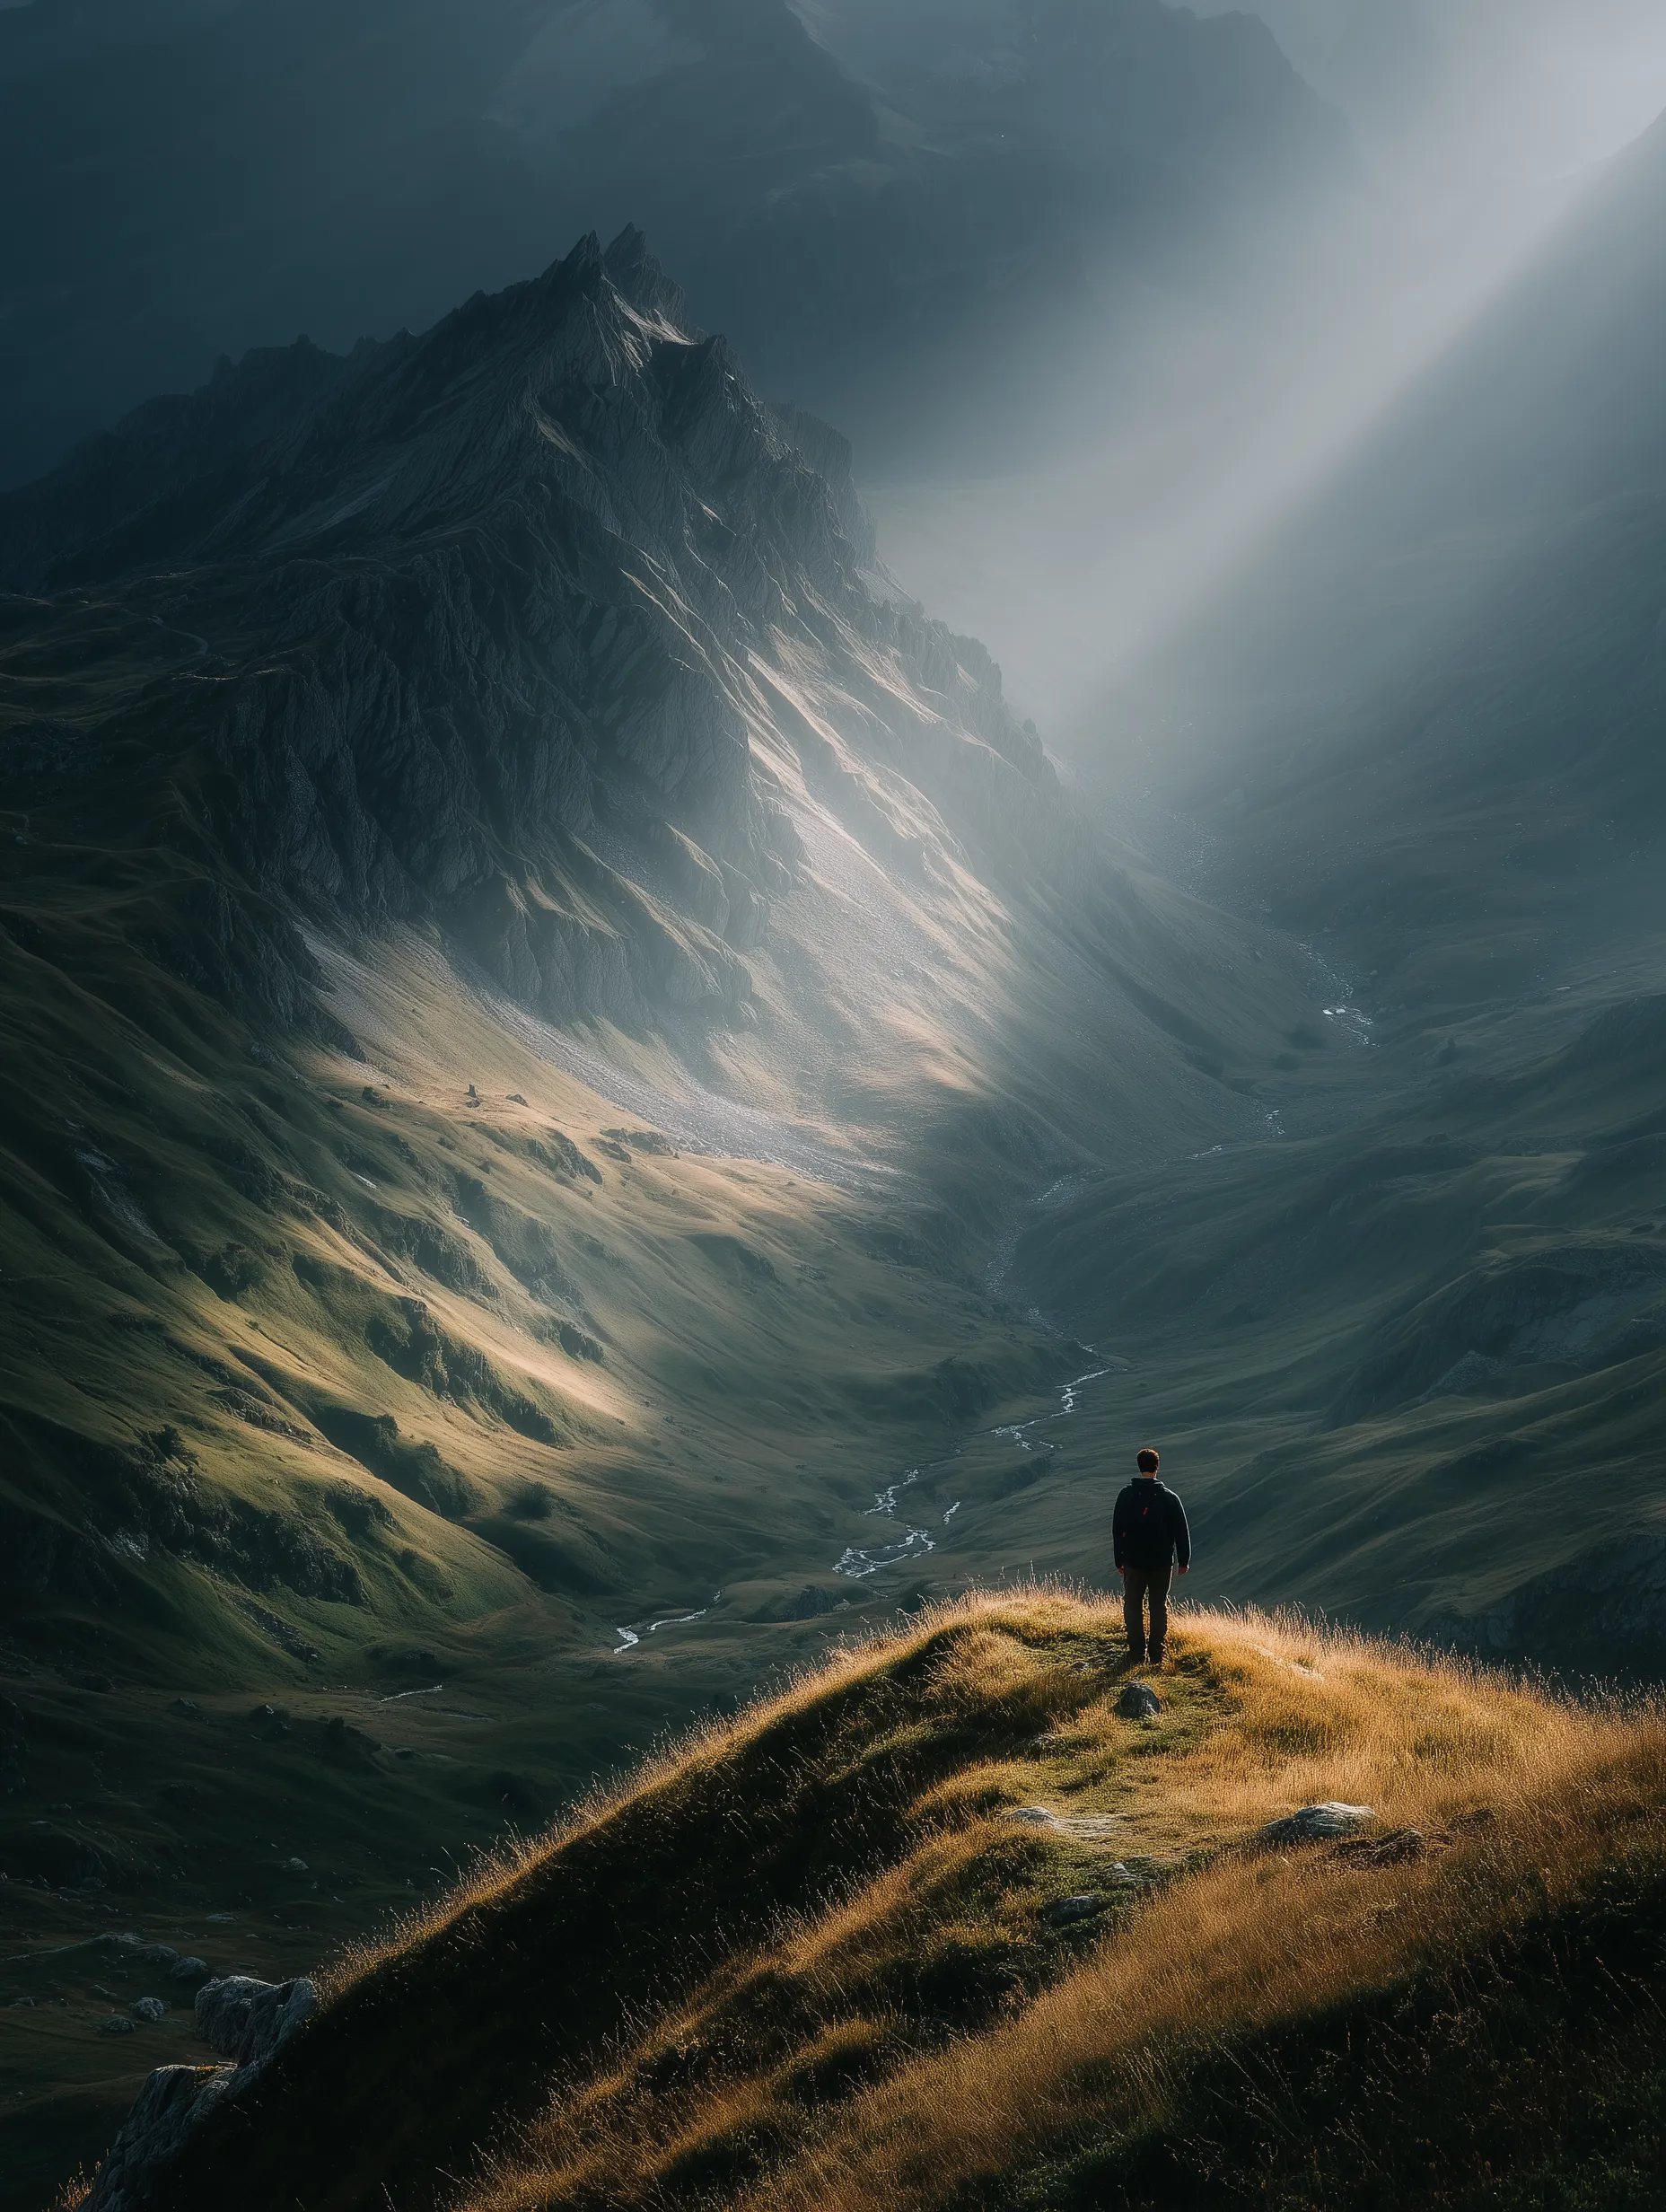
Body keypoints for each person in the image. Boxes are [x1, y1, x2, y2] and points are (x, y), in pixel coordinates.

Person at [1113, 1446, 1190, 1667]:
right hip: (1162, 1562)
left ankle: (1136, 1652)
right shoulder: (1170, 1498)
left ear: (1139, 1467)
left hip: (1133, 1561)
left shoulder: (1126, 1495)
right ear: (1157, 1467)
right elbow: (1181, 1532)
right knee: (1159, 1605)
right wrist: (1183, 1560)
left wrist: (1119, 1559)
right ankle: (1157, 1653)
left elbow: (1117, 1529)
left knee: (1132, 1605)